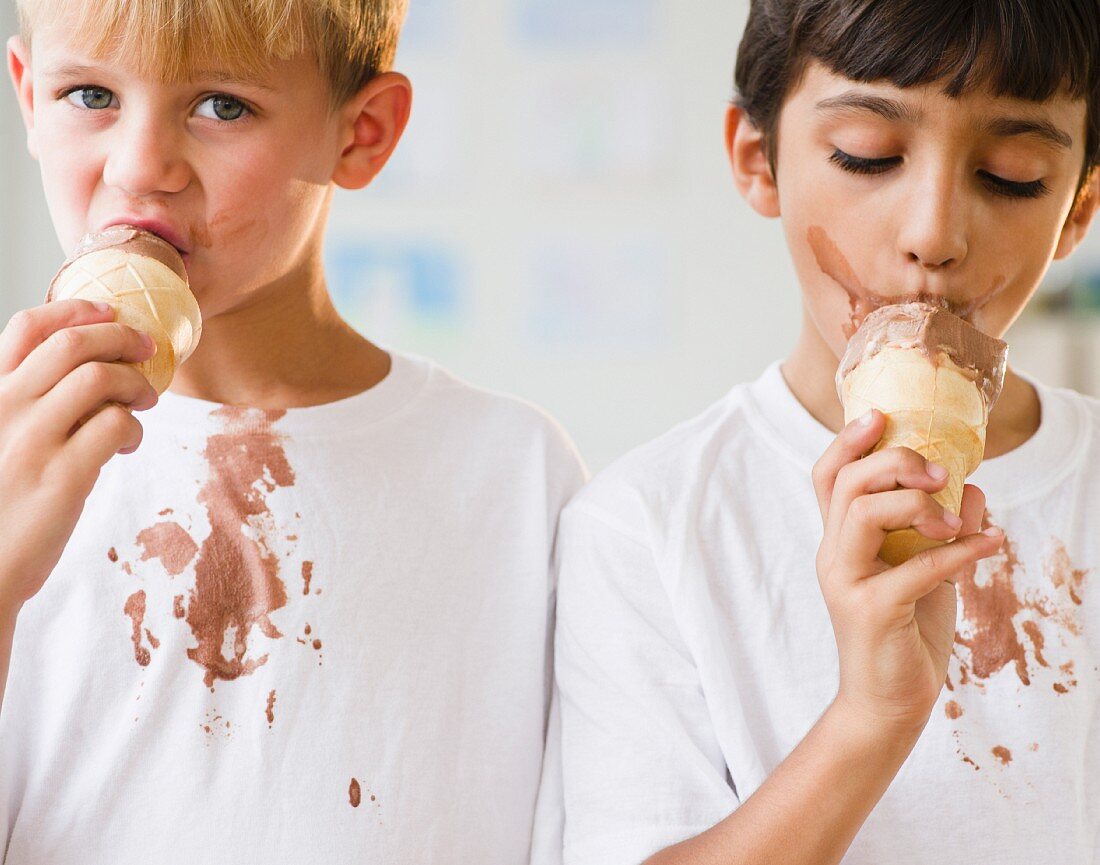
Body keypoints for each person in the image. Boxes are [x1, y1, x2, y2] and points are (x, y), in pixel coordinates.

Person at [0, 1, 584, 861]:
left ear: (363, 134)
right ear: (26, 100)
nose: (140, 167)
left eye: (221, 106)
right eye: (89, 94)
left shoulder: (512, 473)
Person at [552, 1, 1100, 862]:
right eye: (866, 156)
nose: (933, 234)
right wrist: (869, 718)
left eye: (1013, 173)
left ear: (1078, 208)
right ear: (756, 159)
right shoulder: (647, 526)